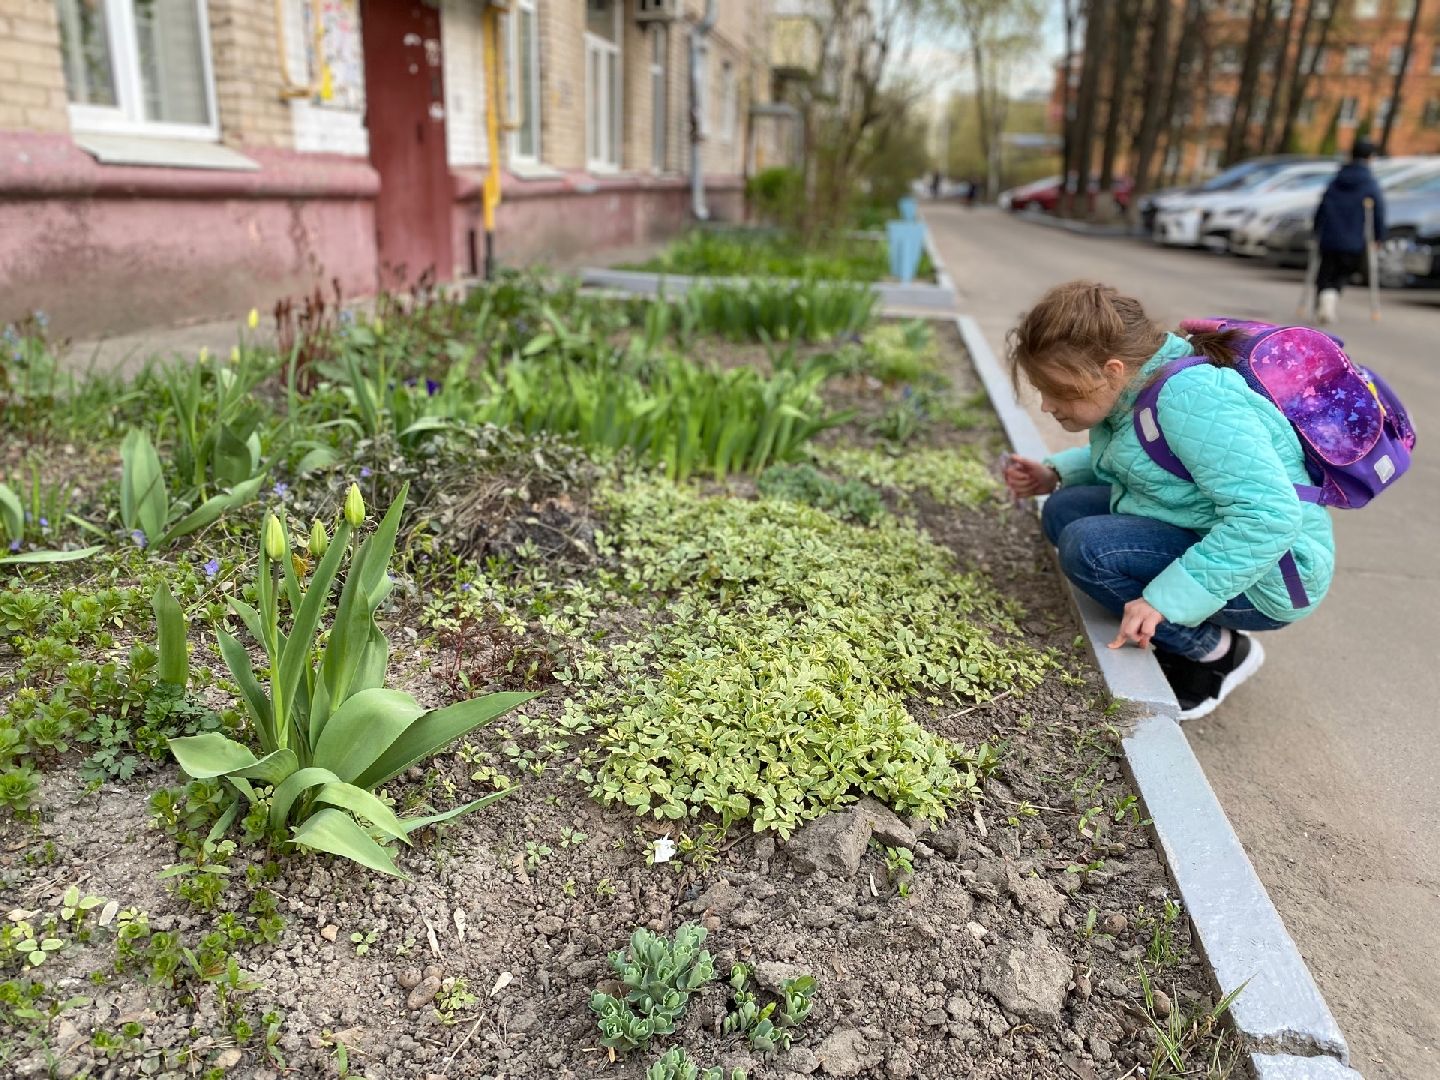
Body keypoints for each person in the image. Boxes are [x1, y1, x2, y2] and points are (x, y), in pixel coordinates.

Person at [1002, 282, 1335, 720]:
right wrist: (1055, 473)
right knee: (1064, 510)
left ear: (1112, 370)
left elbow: (1269, 516)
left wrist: (1165, 601)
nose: (1046, 405)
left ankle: (1217, 653)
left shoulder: (1189, 397)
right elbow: (1137, 456)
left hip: (1275, 574)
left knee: (1088, 548)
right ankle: (1185, 626)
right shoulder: (1140, 387)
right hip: (1204, 527)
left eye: (1058, 390)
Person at [1312, 137, 1385, 325]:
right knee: (1344, 271)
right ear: (1369, 157)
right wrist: (1378, 236)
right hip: (1353, 240)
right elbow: (1378, 211)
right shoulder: (1369, 183)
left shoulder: (1337, 179)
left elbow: (1322, 207)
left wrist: (1316, 229)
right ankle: (1331, 296)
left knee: (1325, 270)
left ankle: (1323, 298)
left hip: (1329, 236)